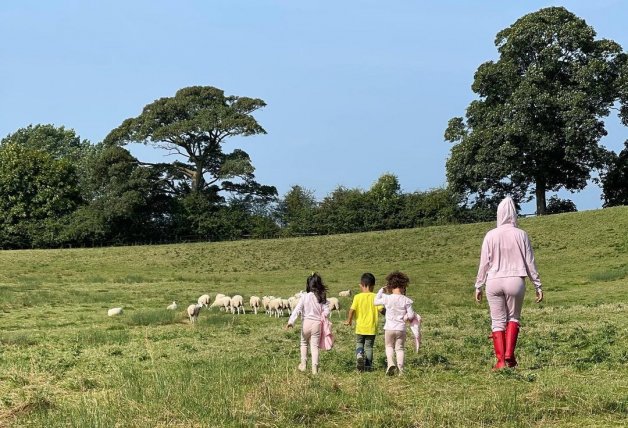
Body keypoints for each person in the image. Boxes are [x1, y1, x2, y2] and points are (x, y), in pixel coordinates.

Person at [475, 196, 544, 370]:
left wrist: (478, 285)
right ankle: (509, 354)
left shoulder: (490, 235)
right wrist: (537, 285)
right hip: (515, 280)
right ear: (514, 214)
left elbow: (484, 263)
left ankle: (500, 361)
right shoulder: (521, 234)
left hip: (493, 281)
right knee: (513, 318)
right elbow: (530, 261)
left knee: (497, 321)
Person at [285, 272, 330, 374]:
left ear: (308, 285)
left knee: (304, 343)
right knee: (314, 346)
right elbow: (327, 311)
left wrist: (291, 321)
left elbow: (297, 309)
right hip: (317, 324)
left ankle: (303, 365)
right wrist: (323, 316)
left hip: (306, 323)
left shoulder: (305, 297)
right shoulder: (321, 297)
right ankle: (315, 368)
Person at [374, 271, 416, 375]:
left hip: (389, 328)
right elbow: (411, 316)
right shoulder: (407, 300)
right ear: (403, 286)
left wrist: (381, 290)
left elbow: (375, 301)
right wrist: (406, 317)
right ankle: (401, 370)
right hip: (401, 328)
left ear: (390, 286)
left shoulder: (387, 298)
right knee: (400, 349)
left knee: (389, 347)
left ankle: (390, 364)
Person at [344, 273, 383, 371]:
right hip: (371, 328)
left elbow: (352, 310)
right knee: (369, 347)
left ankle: (359, 354)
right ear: (373, 286)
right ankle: (368, 367)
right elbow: (381, 310)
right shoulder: (375, 297)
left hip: (360, 327)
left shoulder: (357, 297)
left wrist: (349, 320)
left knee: (359, 342)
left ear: (361, 285)